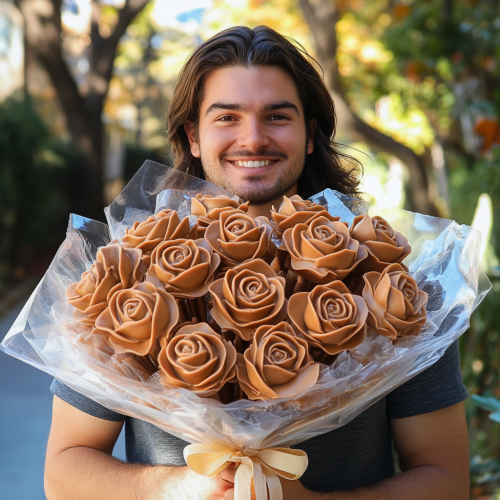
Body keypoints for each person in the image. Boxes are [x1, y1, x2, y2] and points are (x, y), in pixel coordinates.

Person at [44, 26, 470, 500]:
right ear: (194, 136)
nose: (253, 138)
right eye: (227, 116)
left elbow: (444, 479)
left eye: (277, 116)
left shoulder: (397, 292)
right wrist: (182, 487)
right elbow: (63, 472)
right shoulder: (127, 285)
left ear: (310, 135)